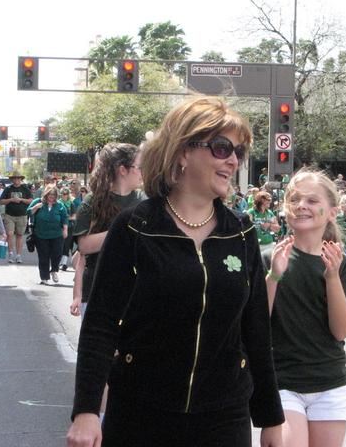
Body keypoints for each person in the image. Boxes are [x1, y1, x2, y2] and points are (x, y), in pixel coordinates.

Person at [66, 96, 284, 447]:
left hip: (224, 416)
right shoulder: (135, 226)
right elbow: (101, 325)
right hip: (141, 412)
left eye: (238, 152)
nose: (232, 160)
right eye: (221, 147)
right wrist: (87, 410)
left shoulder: (240, 231)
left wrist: (271, 418)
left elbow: (255, 329)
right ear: (182, 151)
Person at [265, 169, 346, 447]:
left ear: (332, 212)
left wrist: (331, 277)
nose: (301, 206)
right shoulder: (268, 258)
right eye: (294, 199)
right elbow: (256, 323)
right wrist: (273, 276)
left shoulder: (340, 264)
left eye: (311, 200)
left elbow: (341, 331)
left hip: (330, 384)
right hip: (282, 383)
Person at [70, 143, 145, 318]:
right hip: (98, 291)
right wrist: (124, 229)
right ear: (123, 170)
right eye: (139, 167)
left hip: (135, 291)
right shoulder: (93, 200)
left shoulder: (144, 201)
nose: (143, 172)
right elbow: (84, 247)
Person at [27, 185, 68, 285]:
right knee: (43, 256)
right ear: (46, 194)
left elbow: (64, 218)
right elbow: (28, 212)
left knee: (57, 254)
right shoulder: (38, 201)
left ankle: (54, 270)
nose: (51, 196)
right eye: (50, 194)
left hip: (57, 234)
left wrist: (65, 230)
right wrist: (36, 207)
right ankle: (44, 277)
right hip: (40, 234)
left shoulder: (60, 205)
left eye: (54, 194)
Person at [0, 172, 33, 264]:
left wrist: (21, 199)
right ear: (12, 179)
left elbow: (30, 200)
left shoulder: (25, 188)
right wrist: (11, 199)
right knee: (9, 234)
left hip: (22, 215)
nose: (16, 180)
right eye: (14, 178)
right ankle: (10, 253)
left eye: (18, 178)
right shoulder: (8, 189)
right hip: (9, 215)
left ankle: (18, 255)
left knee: (19, 235)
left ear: (20, 179)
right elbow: (1, 201)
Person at [248, 191, 280, 256]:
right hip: (256, 245)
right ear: (261, 200)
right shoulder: (251, 212)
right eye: (268, 199)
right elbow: (246, 229)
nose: (270, 201)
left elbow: (277, 229)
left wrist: (269, 225)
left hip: (269, 245)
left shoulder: (270, 213)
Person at [58, 187, 76, 271]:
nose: (64, 196)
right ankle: (58, 262)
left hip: (69, 227)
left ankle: (64, 263)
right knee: (59, 244)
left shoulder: (71, 204)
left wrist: (67, 218)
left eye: (66, 194)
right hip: (59, 227)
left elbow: (74, 216)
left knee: (67, 245)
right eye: (63, 194)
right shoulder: (58, 203)